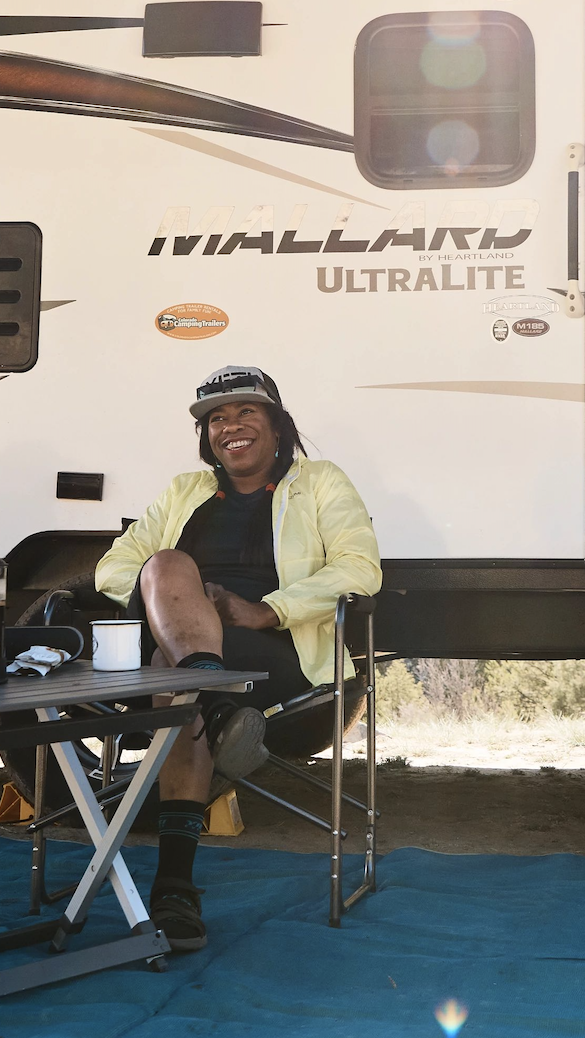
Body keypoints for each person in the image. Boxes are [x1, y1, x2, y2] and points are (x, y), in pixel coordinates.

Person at [94, 365, 381, 953]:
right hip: (189, 653)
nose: (231, 426)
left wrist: (266, 610)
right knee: (165, 566)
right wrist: (178, 601)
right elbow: (114, 567)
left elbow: (360, 568)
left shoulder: (320, 482)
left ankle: (176, 881)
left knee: (175, 680)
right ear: (207, 437)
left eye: (247, 412)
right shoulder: (184, 491)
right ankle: (214, 711)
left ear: (277, 426)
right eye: (217, 419)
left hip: (278, 653)